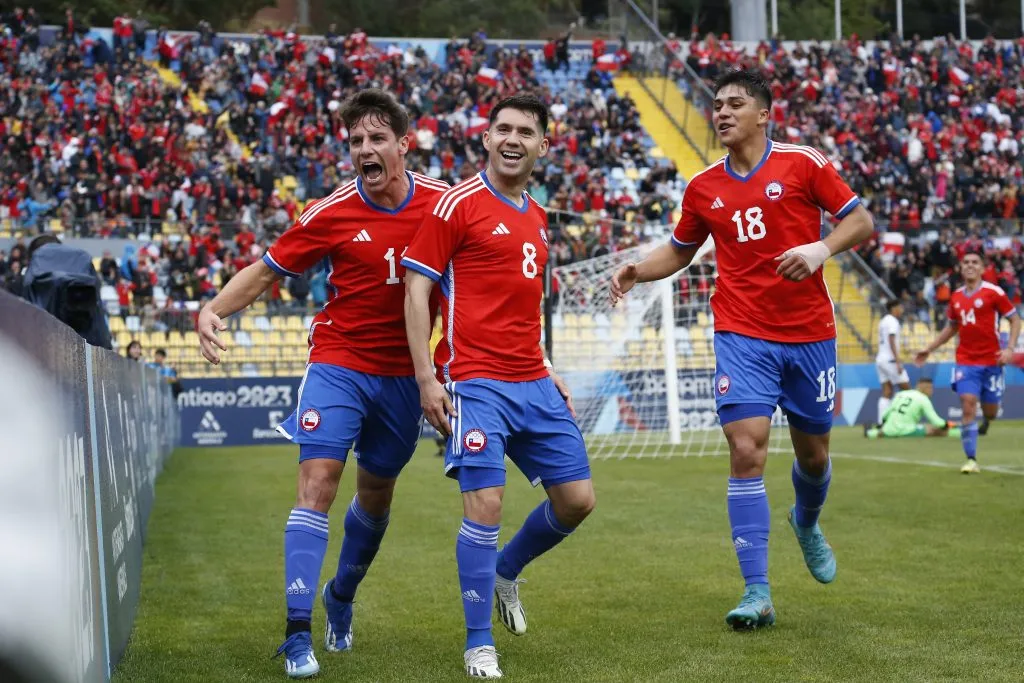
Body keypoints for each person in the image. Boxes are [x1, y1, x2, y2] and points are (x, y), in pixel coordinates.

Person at [196, 89, 450, 679]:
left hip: (406, 376)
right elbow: (264, 272)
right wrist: (214, 308)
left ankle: (341, 594)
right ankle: (296, 632)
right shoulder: (329, 212)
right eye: (356, 140)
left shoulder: (442, 206)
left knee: (376, 496)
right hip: (338, 363)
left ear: (403, 146)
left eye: (376, 138)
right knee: (318, 481)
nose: (364, 148)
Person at [608, 69, 873, 630]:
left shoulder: (803, 163)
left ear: (763, 114)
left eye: (734, 104)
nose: (721, 112)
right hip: (741, 332)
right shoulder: (703, 186)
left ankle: (805, 521)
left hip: (809, 335)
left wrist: (820, 249)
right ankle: (757, 591)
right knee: (746, 447)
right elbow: (681, 251)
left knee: (815, 456)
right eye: (716, 104)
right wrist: (639, 270)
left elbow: (861, 220)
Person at [402, 94, 596, 679]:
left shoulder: (537, 216)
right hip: (475, 380)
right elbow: (415, 292)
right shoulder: (456, 206)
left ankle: (507, 572)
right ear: (486, 138)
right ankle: (478, 641)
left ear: (542, 145)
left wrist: (546, 361)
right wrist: (425, 376)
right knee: (485, 505)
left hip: (533, 378)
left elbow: (523, 305)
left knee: (577, 501)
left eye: (526, 132)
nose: (513, 139)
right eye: (503, 129)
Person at [914, 250, 1020, 474]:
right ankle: (971, 459)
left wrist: (1009, 348)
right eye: (966, 263)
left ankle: (988, 421)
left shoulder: (995, 293)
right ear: (961, 269)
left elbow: (1014, 319)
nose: (970, 266)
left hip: (993, 362)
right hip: (966, 361)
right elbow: (952, 327)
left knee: (990, 410)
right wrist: (929, 348)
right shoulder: (956, 297)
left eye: (975, 262)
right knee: (968, 403)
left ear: (982, 268)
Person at [864, 378, 960, 439]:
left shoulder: (901, 394)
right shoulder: (923, 399)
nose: (932, 391)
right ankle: (963, 432)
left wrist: (882, 425)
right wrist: (949, 424)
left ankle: (870, 433)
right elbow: (936, 421)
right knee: (934, 429)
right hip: (907, 430)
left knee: (885, 431)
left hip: (888, 430)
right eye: (931, 389)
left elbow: (886, 414)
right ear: (927, 388)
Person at [876, 299, 910, 422]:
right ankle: (905, 419)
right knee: (907, 389)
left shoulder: (883, 321)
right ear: (894, 308)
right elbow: (891, 339)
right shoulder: (893, 321)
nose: (901, 310)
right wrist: (897, 361)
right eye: (900, 307)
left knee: (887, 391)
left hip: (880, 359)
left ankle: (881, 422)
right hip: (890, 360)